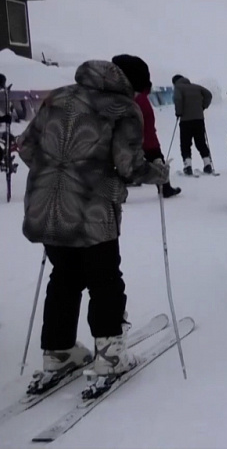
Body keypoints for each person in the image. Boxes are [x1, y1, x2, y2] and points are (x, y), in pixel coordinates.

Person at [17, 60, 170, 390]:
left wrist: (53, 174)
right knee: (104, 280)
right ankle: (111, 356)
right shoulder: (122, 108)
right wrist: (158, 173)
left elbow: (26, 146)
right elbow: (128, 166)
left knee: (65, 277)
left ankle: (58, 351)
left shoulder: (57, 98)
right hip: (91, 210)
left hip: (47, 206)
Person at [113, 54, 181, 199]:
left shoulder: (129, 97)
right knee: (157, 160)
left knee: (121, 162)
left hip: (135, 138)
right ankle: (165, 187)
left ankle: (119, 192)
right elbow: (148, 123)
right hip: (146, 139)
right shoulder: (140, 99)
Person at [171, 74, 215, 175]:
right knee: (201, 142)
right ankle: (207, 164)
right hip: (199, 119)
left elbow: (178, 99)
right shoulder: (196, 87)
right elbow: (209, 95)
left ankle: (188, 166)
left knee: (185, 143)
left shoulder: (178, 87)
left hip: (185, 120)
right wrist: (203, 106)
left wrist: (179, 112)